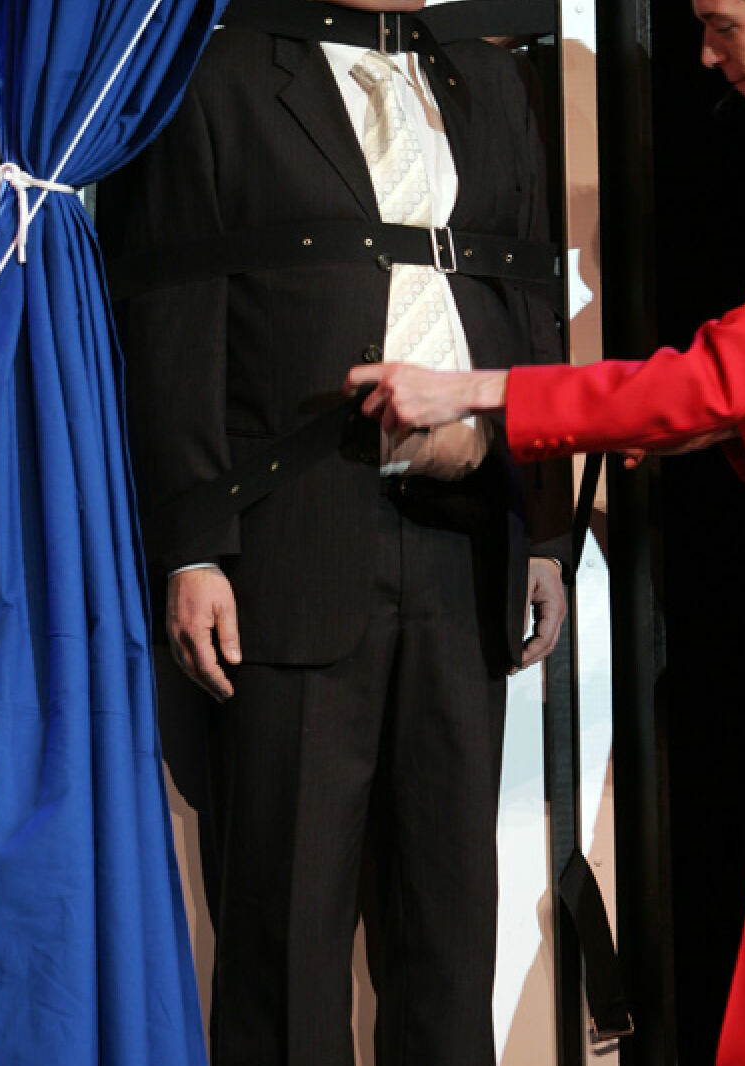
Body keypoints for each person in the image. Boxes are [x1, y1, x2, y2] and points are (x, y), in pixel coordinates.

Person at [347, 1, 745, 1063]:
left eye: (722, 24)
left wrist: (474, 389)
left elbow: (727, 374)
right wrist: (700, 422)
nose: (704, 54)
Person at [99, 1, 570, 1063]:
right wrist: (192, 542)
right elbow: (171, 322)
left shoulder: (490, 82)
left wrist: (542, 527)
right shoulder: (217, 76)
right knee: (286, 936)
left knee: (449, 927)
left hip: (462, 542)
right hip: (294, 544)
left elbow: (526, 305)